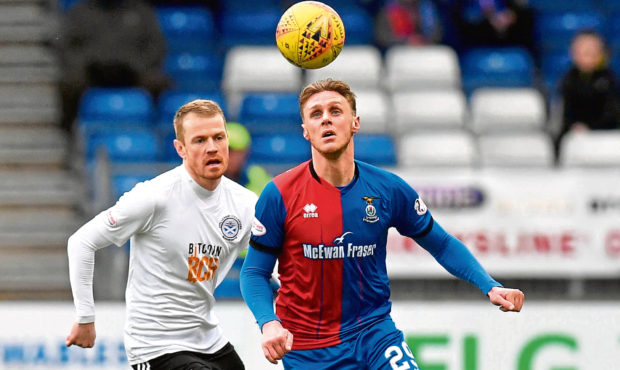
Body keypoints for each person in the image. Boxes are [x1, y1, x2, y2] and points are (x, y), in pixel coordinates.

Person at [240, 79, 524, 369]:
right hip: (308, 348)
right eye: (316, 114)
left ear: (355, 123)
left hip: (374, 336)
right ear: (305, 131)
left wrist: (489, 286)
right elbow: (254, 272)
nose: (326, 118)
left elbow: (441, 243)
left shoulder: (388, 189)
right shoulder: (280, 194)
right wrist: (268, 323)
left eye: (335, 111)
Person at [65, 99, 256, 369]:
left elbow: (271, 263)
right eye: (199, 140)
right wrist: (85, 317)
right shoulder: (154, 196)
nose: (212, 147)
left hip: (209, 340)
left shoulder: (245, 203)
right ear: (181, 148)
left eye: (218, 137)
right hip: (154, 346)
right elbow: (81, 242)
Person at [57, 0, 170, 132]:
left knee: (159, 83)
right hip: (92, 73)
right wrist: (85, 63)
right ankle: (68, 133)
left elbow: (157, 46)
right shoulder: (79, 12)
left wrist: (137, 65)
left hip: (133, 73)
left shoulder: (141, 11)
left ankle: (155, 134)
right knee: (69, 85)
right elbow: (66, 47)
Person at [555, 30, 620, 161]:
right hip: (575, 141)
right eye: (581, 50)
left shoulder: (610, 80)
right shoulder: (568, 80)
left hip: (608, 141)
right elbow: (565, 116)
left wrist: (590, 127)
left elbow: (613, 115)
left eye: (590, 50)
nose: (586, 55)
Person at [224, 121, 272, 196]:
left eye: (238, 152)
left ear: (246, 153)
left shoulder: (257, 177)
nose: (233, 157)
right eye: (228, 150)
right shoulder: (205, 178)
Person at [374, 0, 443, 51]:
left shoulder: (427, 9)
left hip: (426, 51)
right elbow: (382, 37)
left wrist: (423, 41)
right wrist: (406, 41)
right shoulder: (389, 10)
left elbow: (437, 34)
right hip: (400, 54)